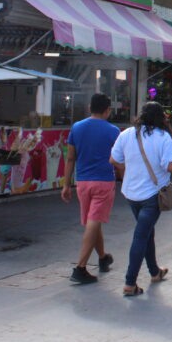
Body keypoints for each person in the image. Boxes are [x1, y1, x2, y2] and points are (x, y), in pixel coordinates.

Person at [109, 102, 172, 296]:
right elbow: (169, 166)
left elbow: (114, 160)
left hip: (131, 193)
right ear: (161, 117)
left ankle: (155, 271)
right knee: (141, 235)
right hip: (152, 195)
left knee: (146, 231)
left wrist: (128, 171)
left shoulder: (126, 134)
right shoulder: (163, 137)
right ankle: (129, 283)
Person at [61, 93, 120, 284]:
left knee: (93, 221)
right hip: (103, 181)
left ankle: (103, 257)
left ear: (89, 107)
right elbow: (119, 160)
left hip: (83, 182)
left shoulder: (77, 127)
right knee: (94, 221)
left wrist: (65, 184)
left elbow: (70, 158)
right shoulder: (113, 131)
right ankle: (80, 267)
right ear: (108, 110)